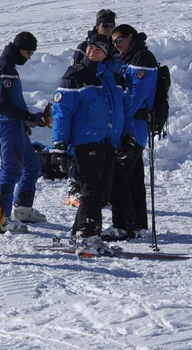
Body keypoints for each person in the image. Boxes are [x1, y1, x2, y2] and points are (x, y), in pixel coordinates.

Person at [51, 34, 135, 244]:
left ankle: (79, 232)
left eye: (99, 48)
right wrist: (59, 145)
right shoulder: (76, 76)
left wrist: (127, 137)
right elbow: (62, 112)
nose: (93, 51)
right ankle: (89, 237)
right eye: (90, 47)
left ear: (107, 53)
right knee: (92, 189)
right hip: (85, 140)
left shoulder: (114, 79)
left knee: (103, 189)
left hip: (108, 141)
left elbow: (123, 112)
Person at [0, 31, 48, 232]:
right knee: (11, 170)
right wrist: (26, 117)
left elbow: (10, 102)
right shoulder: (5, 67)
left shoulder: (8, 65)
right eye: (29, 52)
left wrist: (28, 118)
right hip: (7, 124)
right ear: (20, 48)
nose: (29, 57)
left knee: (32, 165)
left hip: (15, 123)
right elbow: (2, 104)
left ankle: (22, 208)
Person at [103, 24, 159, 240]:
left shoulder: (142, 58)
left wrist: (117, 115)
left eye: (119, 40)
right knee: (134, 178)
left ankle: (122, 225)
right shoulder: (131, 57)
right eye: (114, 42)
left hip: (134, 127)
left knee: (118, 177)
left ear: (130, 37)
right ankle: (138, 225)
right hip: (134, 127)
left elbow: (136, 95)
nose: (116, 45)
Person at [67, 9, 119, 206]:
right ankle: (74, 188)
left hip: (105, 106)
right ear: (97, 25)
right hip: (85, 103)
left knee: (101, 155)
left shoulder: (112, 48)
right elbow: (74, 73)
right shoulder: (86, 46)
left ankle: (99, 192)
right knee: (80, 149)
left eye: (112, 26)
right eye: (105, 25)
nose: (108, 29)